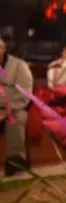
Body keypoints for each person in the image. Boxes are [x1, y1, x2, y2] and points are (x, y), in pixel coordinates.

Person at [0, 37, 33, 176]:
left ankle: (16, 162)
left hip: (15, 107)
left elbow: (24, 95)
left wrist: (5, 110)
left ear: (2, 49)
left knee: (15, 119)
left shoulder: (19, 66)